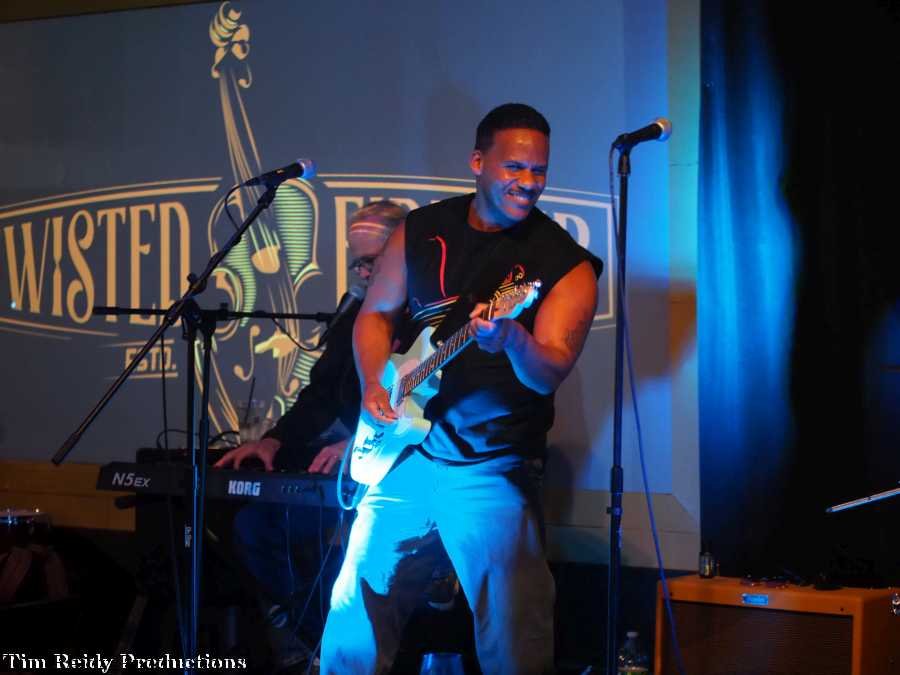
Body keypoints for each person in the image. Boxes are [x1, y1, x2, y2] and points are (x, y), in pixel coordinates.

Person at [321, 103, 603, 674]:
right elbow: (375, 315)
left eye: (539, 170)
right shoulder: (422, 230)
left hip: (492, 465)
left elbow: (549, 370)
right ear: (478, 162)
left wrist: (512, 340)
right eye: (514, 167)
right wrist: (375, 383)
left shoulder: (565, 264)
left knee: (515, 639)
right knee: (355, 614)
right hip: (406, 457)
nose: (529, 182)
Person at [213, 200, 408, 670]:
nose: (363, 273)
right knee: (250, 524)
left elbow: (420, 399)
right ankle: (310, 643)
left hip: (397, 468)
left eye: (373, 261)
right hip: (348, 459)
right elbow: (321, 392)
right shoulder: (355, 310)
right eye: (357, 262)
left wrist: (357, 441)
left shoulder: (423, 314)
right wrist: (275, 440)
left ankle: (322, 646)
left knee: (288, 535)